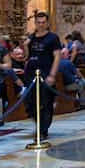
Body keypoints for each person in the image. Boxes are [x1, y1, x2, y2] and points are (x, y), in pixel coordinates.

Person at [24, 11, 63, 141]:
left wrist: (52, 74)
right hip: (31, 75)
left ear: (47, 23)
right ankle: (39, 124)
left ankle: (42, 130)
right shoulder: (31, 38)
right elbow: (26, 57)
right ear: (35, 23)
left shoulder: (53, 38)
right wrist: (25, 46)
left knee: (45, 103)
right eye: (38, 22)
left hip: (46, 74)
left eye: (43, 22)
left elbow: (57, 56)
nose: (41, 25)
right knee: (30, 102)